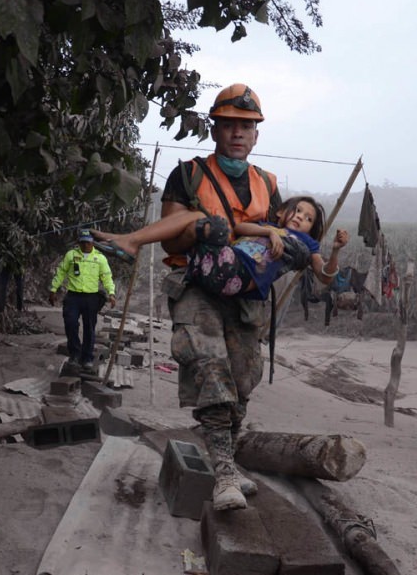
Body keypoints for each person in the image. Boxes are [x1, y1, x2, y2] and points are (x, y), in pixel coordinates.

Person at [161, 83, 347, 512]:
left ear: (257, 135)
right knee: (209, 365)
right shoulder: (188, 173)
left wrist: (306, 250)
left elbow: (284, 235)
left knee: (244, 378)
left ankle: (228, 460)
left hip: (246, 295)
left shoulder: (267, 184)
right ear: (216, 128)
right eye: (230, 124)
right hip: (196, 282)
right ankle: (223, 471)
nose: (238, 133)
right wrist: (201, 230)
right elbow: (169, 231)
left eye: (247, 126)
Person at [92, 195, 349, 300]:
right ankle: (130, 241)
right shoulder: (268, 227)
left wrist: (335, 250)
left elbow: (325, 276)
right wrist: (269, 231)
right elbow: (241, 230)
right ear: (282, 211)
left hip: (236, 276)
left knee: (208, 223)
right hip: (217, 264)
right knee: (198, 220)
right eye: (298, 210)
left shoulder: (306, 243)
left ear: (311, 229)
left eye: (308, 219)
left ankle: (131, 242)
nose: (301, 217)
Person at [49, 229, 116, 371]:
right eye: (83, 242)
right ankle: (74, 354)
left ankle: (87, 358)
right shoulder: (71, 255)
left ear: (93, 243)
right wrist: (53, 289)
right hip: (73, 297)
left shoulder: (100, 258)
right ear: (79, 242)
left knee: (89, 328)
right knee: (70, 324)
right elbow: (61, 272)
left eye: (88, 242)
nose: (86, 245)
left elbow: (106, 276)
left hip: (91, 298)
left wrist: (111, 293)